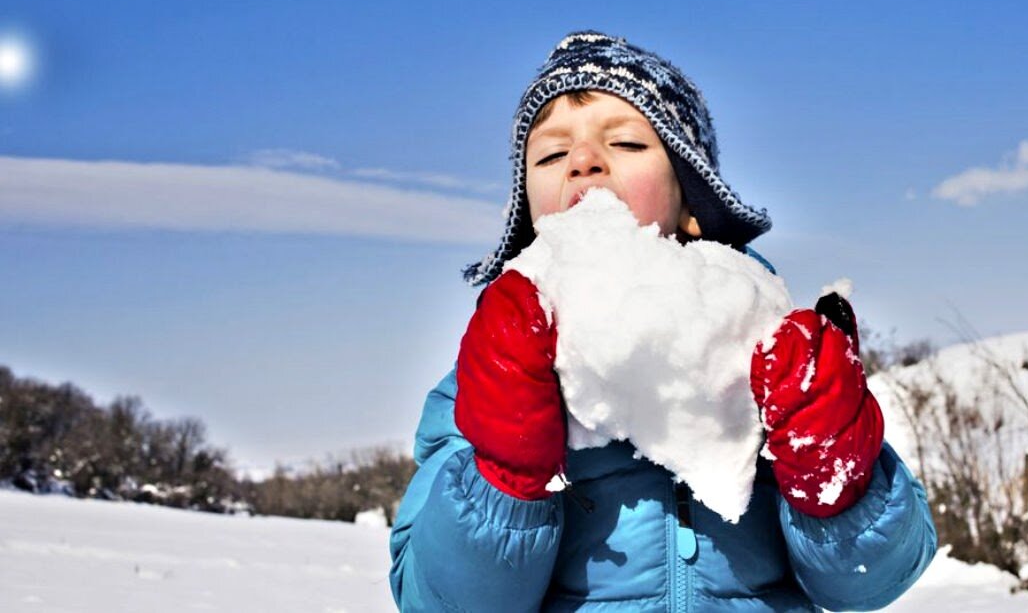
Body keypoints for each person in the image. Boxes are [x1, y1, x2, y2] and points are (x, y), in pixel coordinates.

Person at [389, 31, 937, 611]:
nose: (582, 161)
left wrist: (835, 473)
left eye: (625, 142)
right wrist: (502, 475)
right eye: (551, 155)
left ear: (692, 203)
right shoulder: (488, 371)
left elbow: (869, 582)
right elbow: (439, 602)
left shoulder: (761, 344)